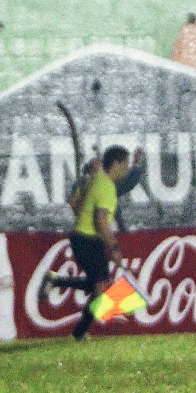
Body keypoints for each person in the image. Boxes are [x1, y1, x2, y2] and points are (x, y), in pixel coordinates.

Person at [39, 145, 131, 341]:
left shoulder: (96, 179)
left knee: (100, 286)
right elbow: (100, 220)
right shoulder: (106, 186)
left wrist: (84, 218)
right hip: (88, 240)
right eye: (125, 164)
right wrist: (113, 247)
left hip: (81, 238)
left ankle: (56, 281)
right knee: (102, 288)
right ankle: (78, 334)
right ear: (115, 164)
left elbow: (74, 203)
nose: (127, 169)